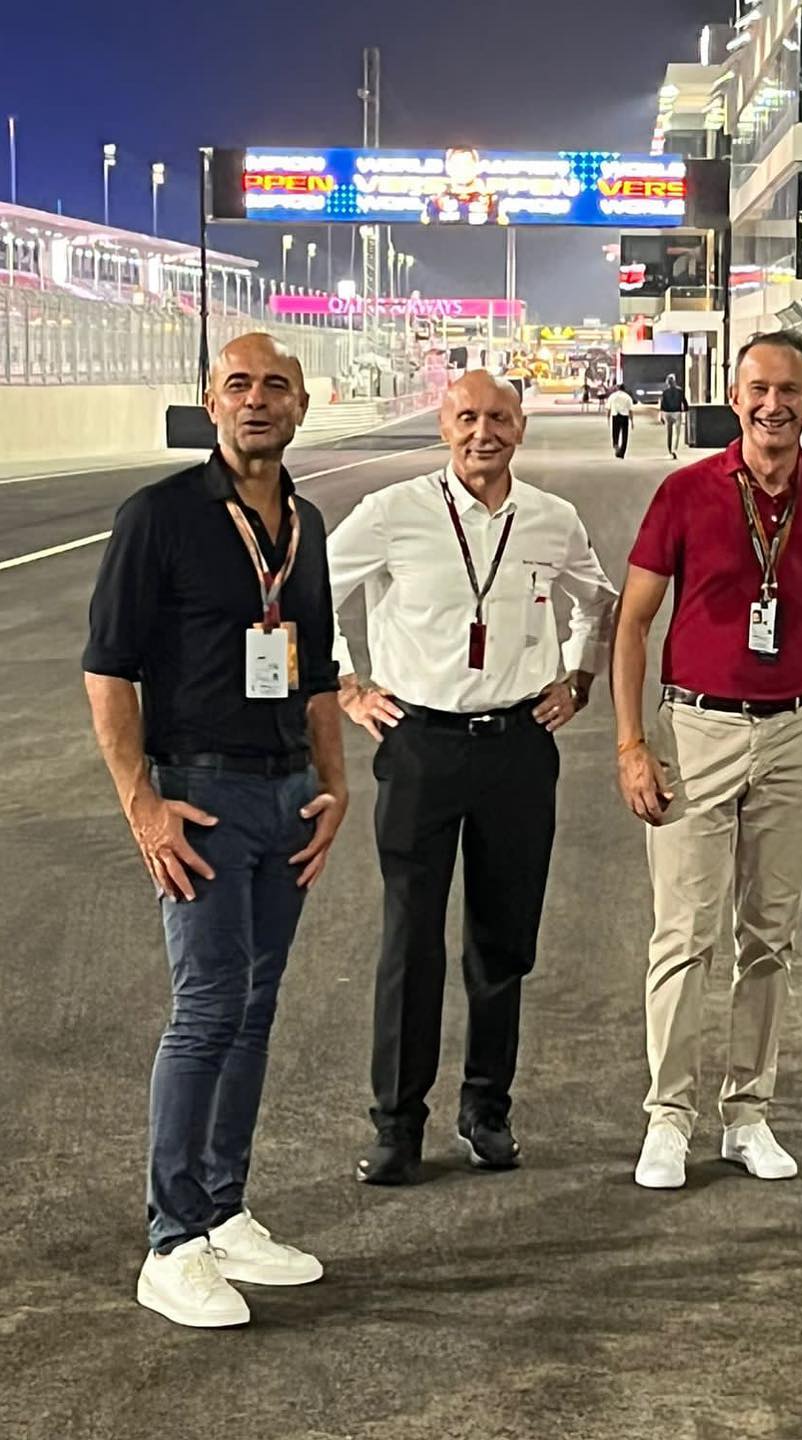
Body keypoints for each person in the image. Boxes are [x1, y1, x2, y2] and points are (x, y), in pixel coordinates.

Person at [82, 334, 348, 1328]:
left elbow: (315, 669)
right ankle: (171, 1240)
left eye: (275, 385)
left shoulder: (305, 523)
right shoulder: (158, 519)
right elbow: (108, 669)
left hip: (285, 795)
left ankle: (225, 1208)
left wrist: (333, 785)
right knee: (205, 1010)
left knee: (256, 1005)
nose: (256, 400)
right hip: (197, 794)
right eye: (238, 384)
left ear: (302, 406)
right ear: (211, 403)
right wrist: (141, 804)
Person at [327, 370, 618, 1187]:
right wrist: (345, 685)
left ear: (520, 428)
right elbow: (310, 590)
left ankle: (487, 1112)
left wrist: (577, 678)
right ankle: (396, 1125)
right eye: (465, 417)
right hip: (421, 744)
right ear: (443, 425)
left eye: (497, 417)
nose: (481, 432)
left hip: (519, 746)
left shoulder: (552, 521)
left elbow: (598, 600)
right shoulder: (395, 512)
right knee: (409, 941)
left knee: (503, 943)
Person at [614, 329, 802, 1189]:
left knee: (769, 935)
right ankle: (668, 1117)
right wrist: (631, 744)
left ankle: (748, 1113)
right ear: (735, 398)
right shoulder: (686, 492)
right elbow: (632, 623)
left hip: (798, 731)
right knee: (684, 935)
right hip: (696, 730)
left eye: (791, 390)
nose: (775, 404)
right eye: (759, 389)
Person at [659, 373, 688, 459]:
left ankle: (670, 450)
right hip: (677, 412)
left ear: (667, 382)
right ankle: (674, 450)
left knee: (669, 433)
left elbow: (662, 405)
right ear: (674, 382)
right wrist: (686, 410)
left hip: (667, 413)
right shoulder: (680, 391)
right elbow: (684, 401)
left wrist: (661, 415)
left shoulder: (665, 392)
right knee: (677, 433)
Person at [608, 383, 635, 458]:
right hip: (624, 417)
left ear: (617, 388)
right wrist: (632, 421)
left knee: (615, 433)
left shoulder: (612, 396)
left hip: (615, 416)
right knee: (624, 435)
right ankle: (622, 452)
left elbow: (609, 409)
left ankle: (616, 446)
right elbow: (630, 410)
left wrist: (608, 419)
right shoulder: (627, 397)